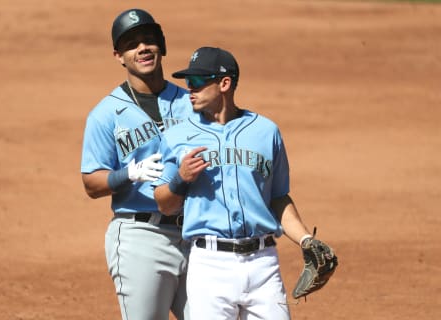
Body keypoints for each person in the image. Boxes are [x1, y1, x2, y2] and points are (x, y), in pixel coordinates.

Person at [152, 47, 315, 320]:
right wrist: (181, 179)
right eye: (187, 82)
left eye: (197, 82)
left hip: (263, 264)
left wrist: (305, 239)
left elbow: (278, 198)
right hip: (209, 266)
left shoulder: (266, 132)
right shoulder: (177, 136)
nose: (189, 89)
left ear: (224, 83)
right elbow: (163, 203)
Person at [80, 9, 193, 320]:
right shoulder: (105, 114)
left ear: (162, 46)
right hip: (142, 238)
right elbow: (91, 183)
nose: (142, 48)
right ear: (119, 56)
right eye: (131, 44)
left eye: (149, 40)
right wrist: (126, 174)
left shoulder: (191, 103)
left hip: (197, 234)